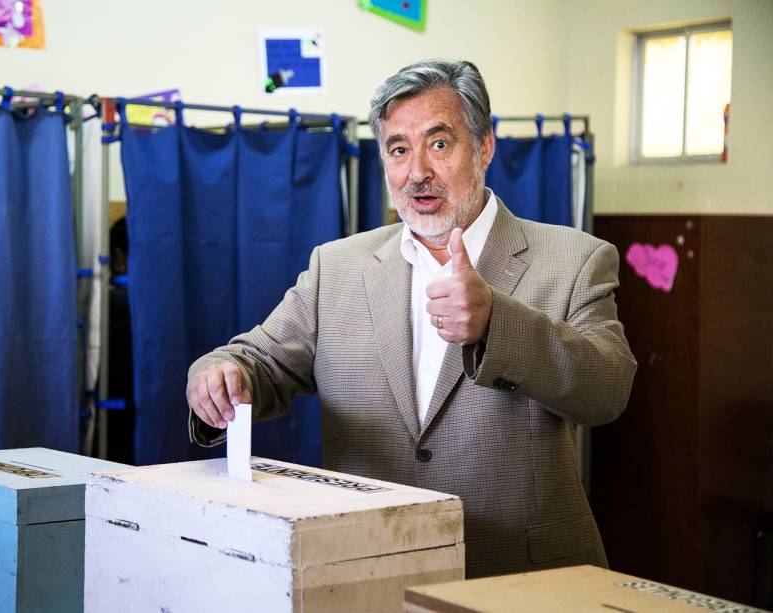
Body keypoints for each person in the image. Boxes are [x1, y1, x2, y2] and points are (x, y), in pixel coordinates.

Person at [185, 59, 636, 578]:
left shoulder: (573, 258)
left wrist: (496, 322)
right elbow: (260, 360)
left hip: (519, 576)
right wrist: (219, 374)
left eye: (439, 144)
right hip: (367, 569)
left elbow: (608, 390)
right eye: (398, 149)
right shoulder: (338, 266)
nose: (417, 171)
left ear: (484, 146)